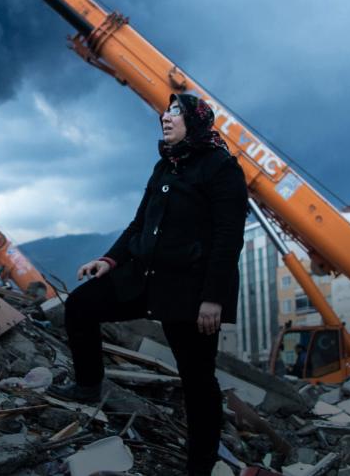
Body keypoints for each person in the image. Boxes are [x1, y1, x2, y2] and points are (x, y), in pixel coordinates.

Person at [47, 93, 248, 476]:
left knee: (197, 381)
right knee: (81, 305)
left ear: (196, 121)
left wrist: (213, 298)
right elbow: (139, 224)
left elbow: (228, 238)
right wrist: (108, 260)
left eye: (176, 112)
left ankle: (199, 467)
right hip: (144, 277)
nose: (166, 117)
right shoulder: (165, 166)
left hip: (188, 290)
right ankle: (88, 385)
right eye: (167, 111)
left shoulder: (221, 168)